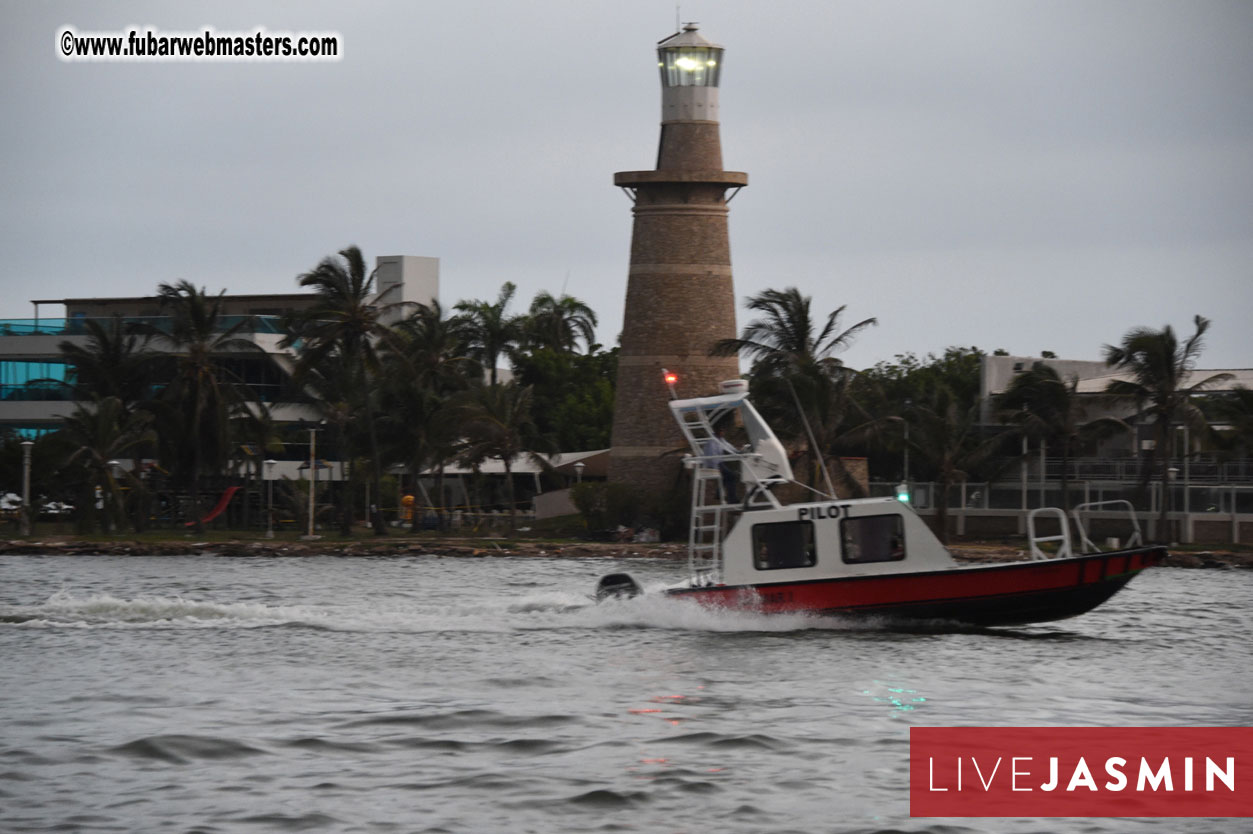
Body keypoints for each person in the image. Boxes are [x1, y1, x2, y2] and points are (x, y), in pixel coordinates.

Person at [701, 425, 740, 503]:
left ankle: (719, 494)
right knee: (731, 476)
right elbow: (711, 456)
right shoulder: (712, 441)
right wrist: (717, 468)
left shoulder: (721, 439)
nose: (723, 433)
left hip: (719, 462)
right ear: (718, 432)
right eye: (722, 431)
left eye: (723, 431)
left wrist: (738, 452)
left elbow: (728, 447)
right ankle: (732, 499)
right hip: (713, 464)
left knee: (728, 476)